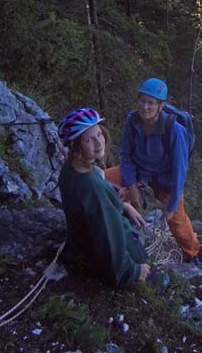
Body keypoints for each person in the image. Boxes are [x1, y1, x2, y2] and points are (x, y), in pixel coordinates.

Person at [105, 78, 201, 263]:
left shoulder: (175, 131)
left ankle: (192, 252)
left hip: (166, 179)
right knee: (103, 182)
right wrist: (132, 187)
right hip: (139, 171)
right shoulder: (133, 120)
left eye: (151, 102)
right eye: (142, 100)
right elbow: (126, 155)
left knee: (178, 221)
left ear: (160, 106)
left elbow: (180, 171)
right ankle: (111, 231)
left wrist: (172, 206)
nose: (145, 107)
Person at [58, 107, 155, 288]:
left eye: (99, 134)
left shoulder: (71, 169)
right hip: (99, 256)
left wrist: (124, 206)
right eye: (88, 139)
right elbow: (109, 237)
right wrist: (134, 271)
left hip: (82, 244)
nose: (98, 142)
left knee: (131, 218)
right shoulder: (93, 189)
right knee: (145, 256)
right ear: (76, 147)